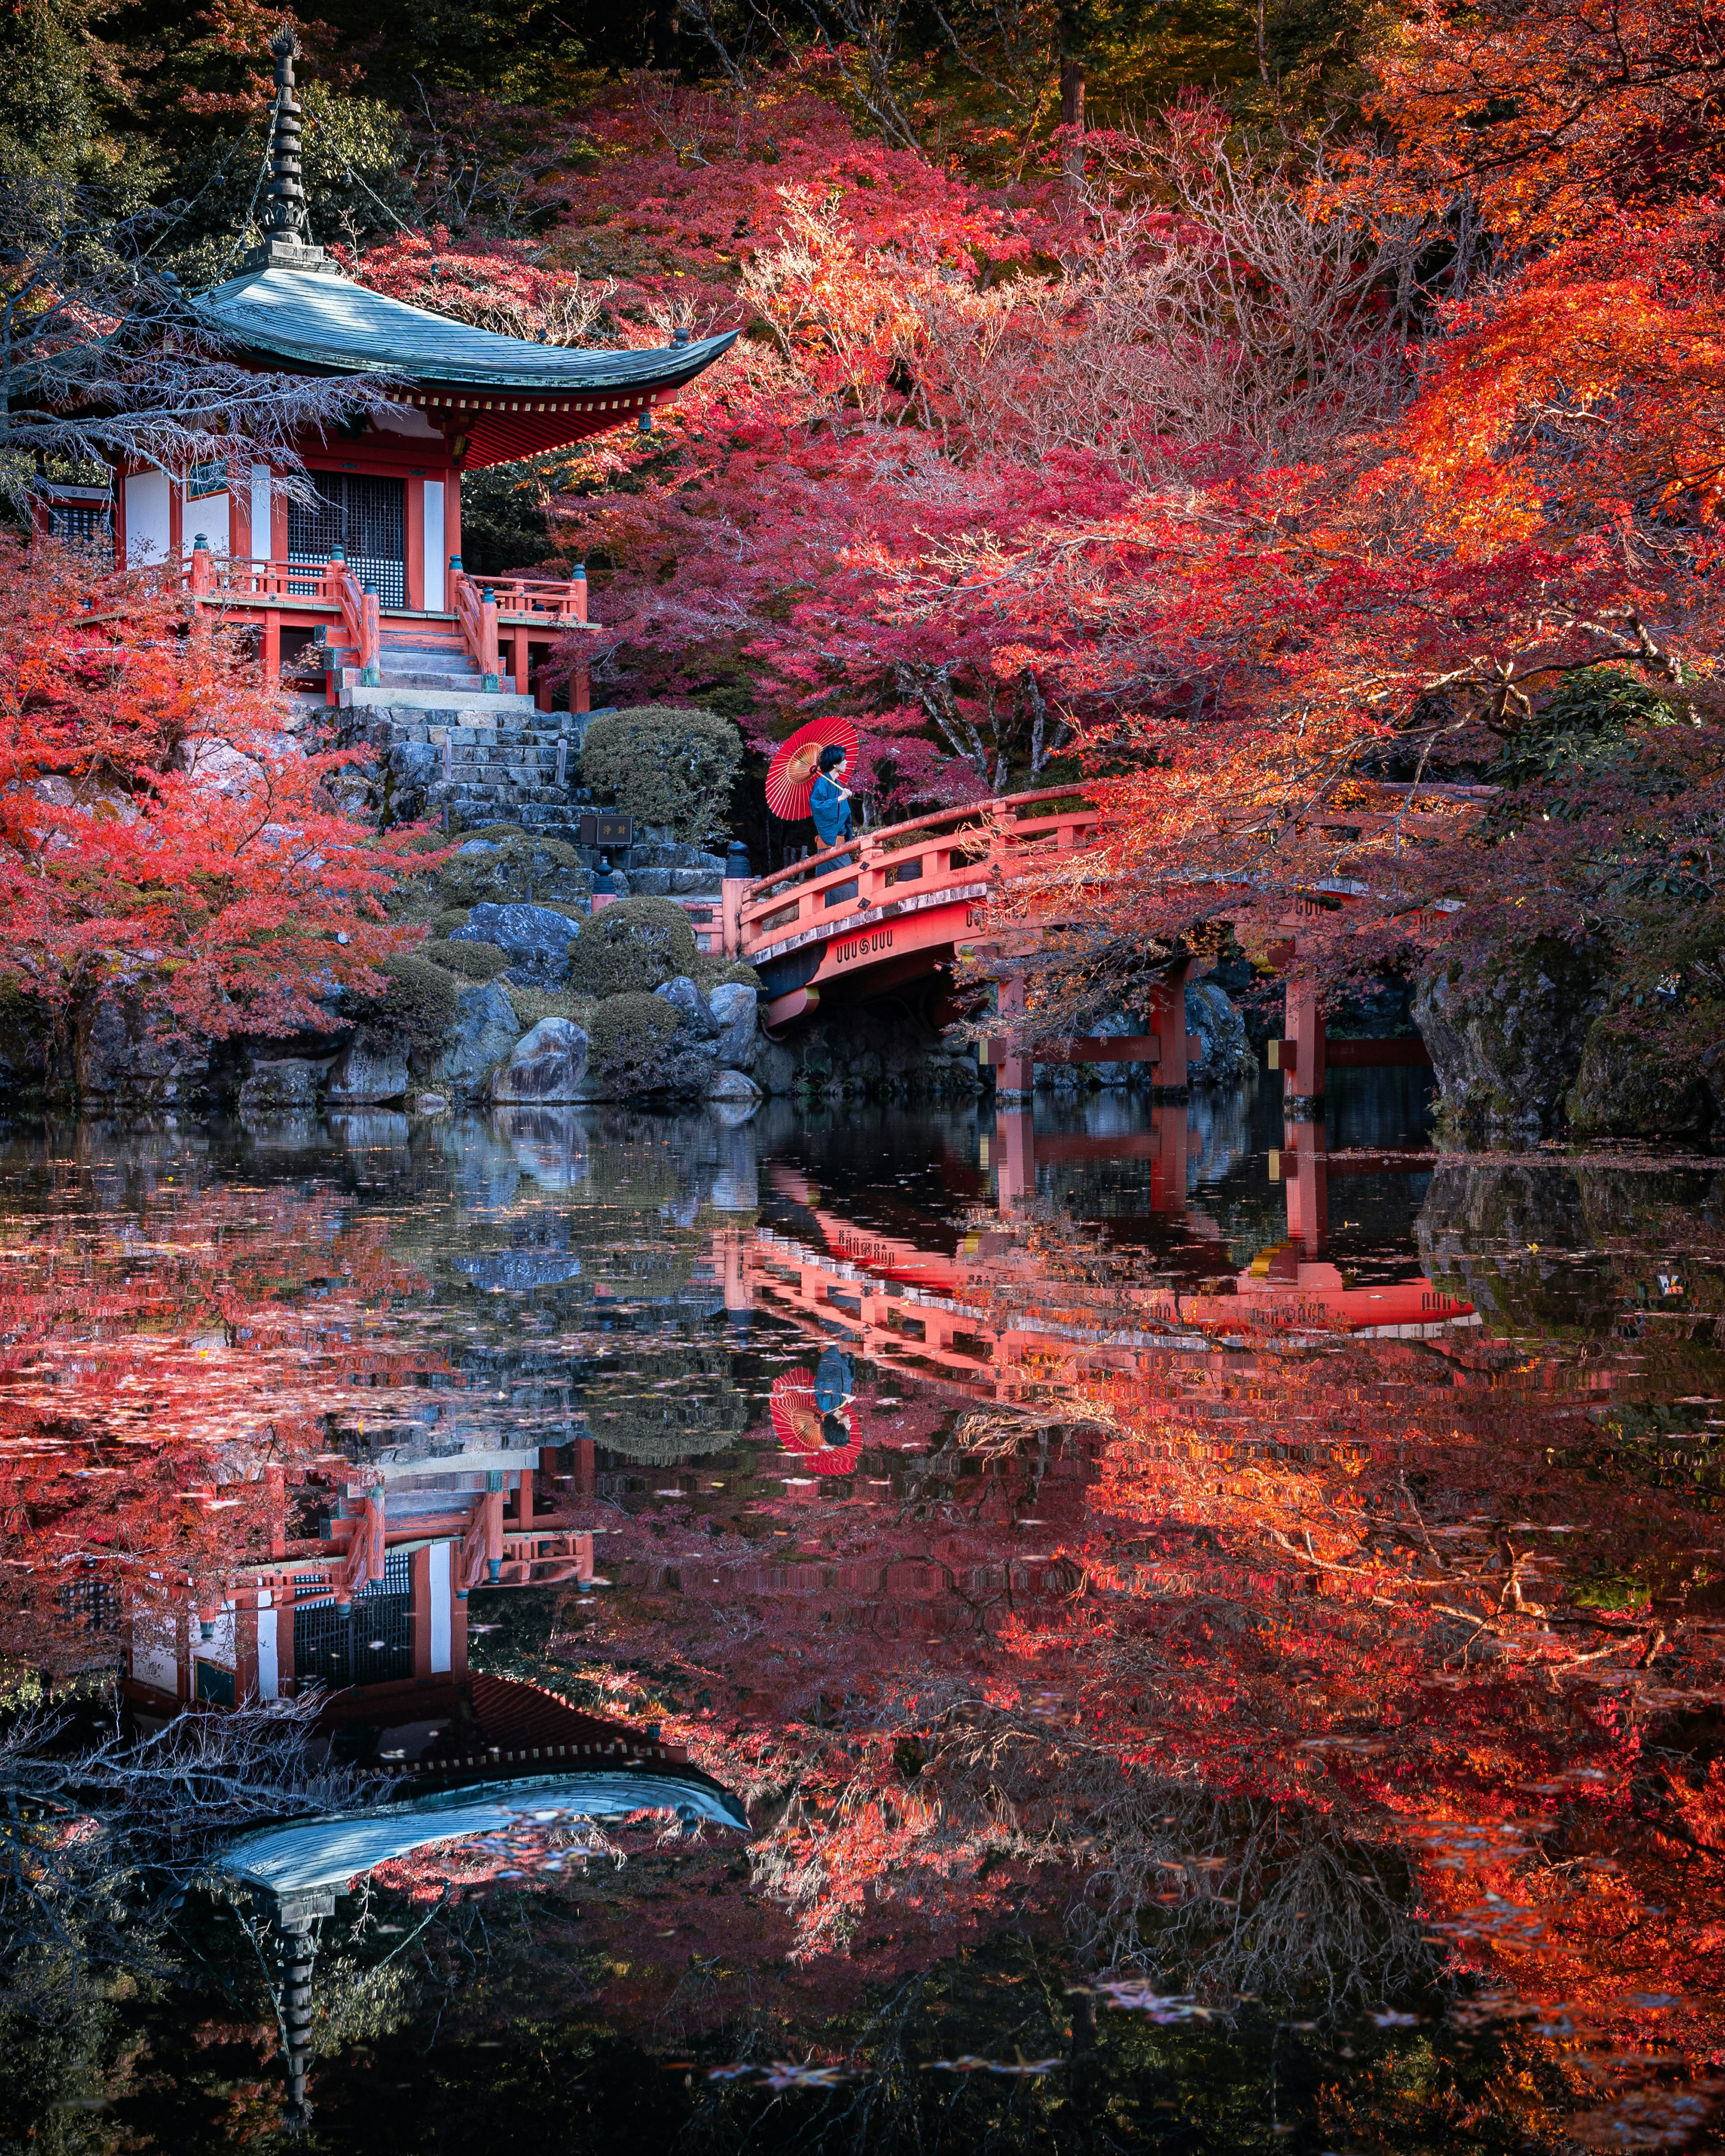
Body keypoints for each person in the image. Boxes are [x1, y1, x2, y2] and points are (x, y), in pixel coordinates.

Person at [809, 744, 855, 854]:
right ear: (834, 764)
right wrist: (839, 799)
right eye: (843, 760)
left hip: (841, 845)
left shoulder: (837, 784)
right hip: (828, 846)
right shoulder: (822, 783)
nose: (846, 762)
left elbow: (846, 814)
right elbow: (817, 806)